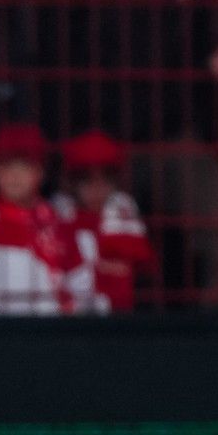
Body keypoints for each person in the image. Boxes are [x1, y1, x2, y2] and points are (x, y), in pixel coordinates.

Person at [0, 121, 102, 316]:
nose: (15, 175)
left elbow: (80, 283)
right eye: (7, 166)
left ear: (40, 173)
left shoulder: (57, 223)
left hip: (49, 335)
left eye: (25, 166)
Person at [52, 130, 155, 314]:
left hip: (119, 311)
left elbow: (138, 265)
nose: (97, 189)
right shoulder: (61, 214)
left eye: (105, 179)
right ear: (72, 183)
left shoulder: (122, 210)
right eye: (87, 180)